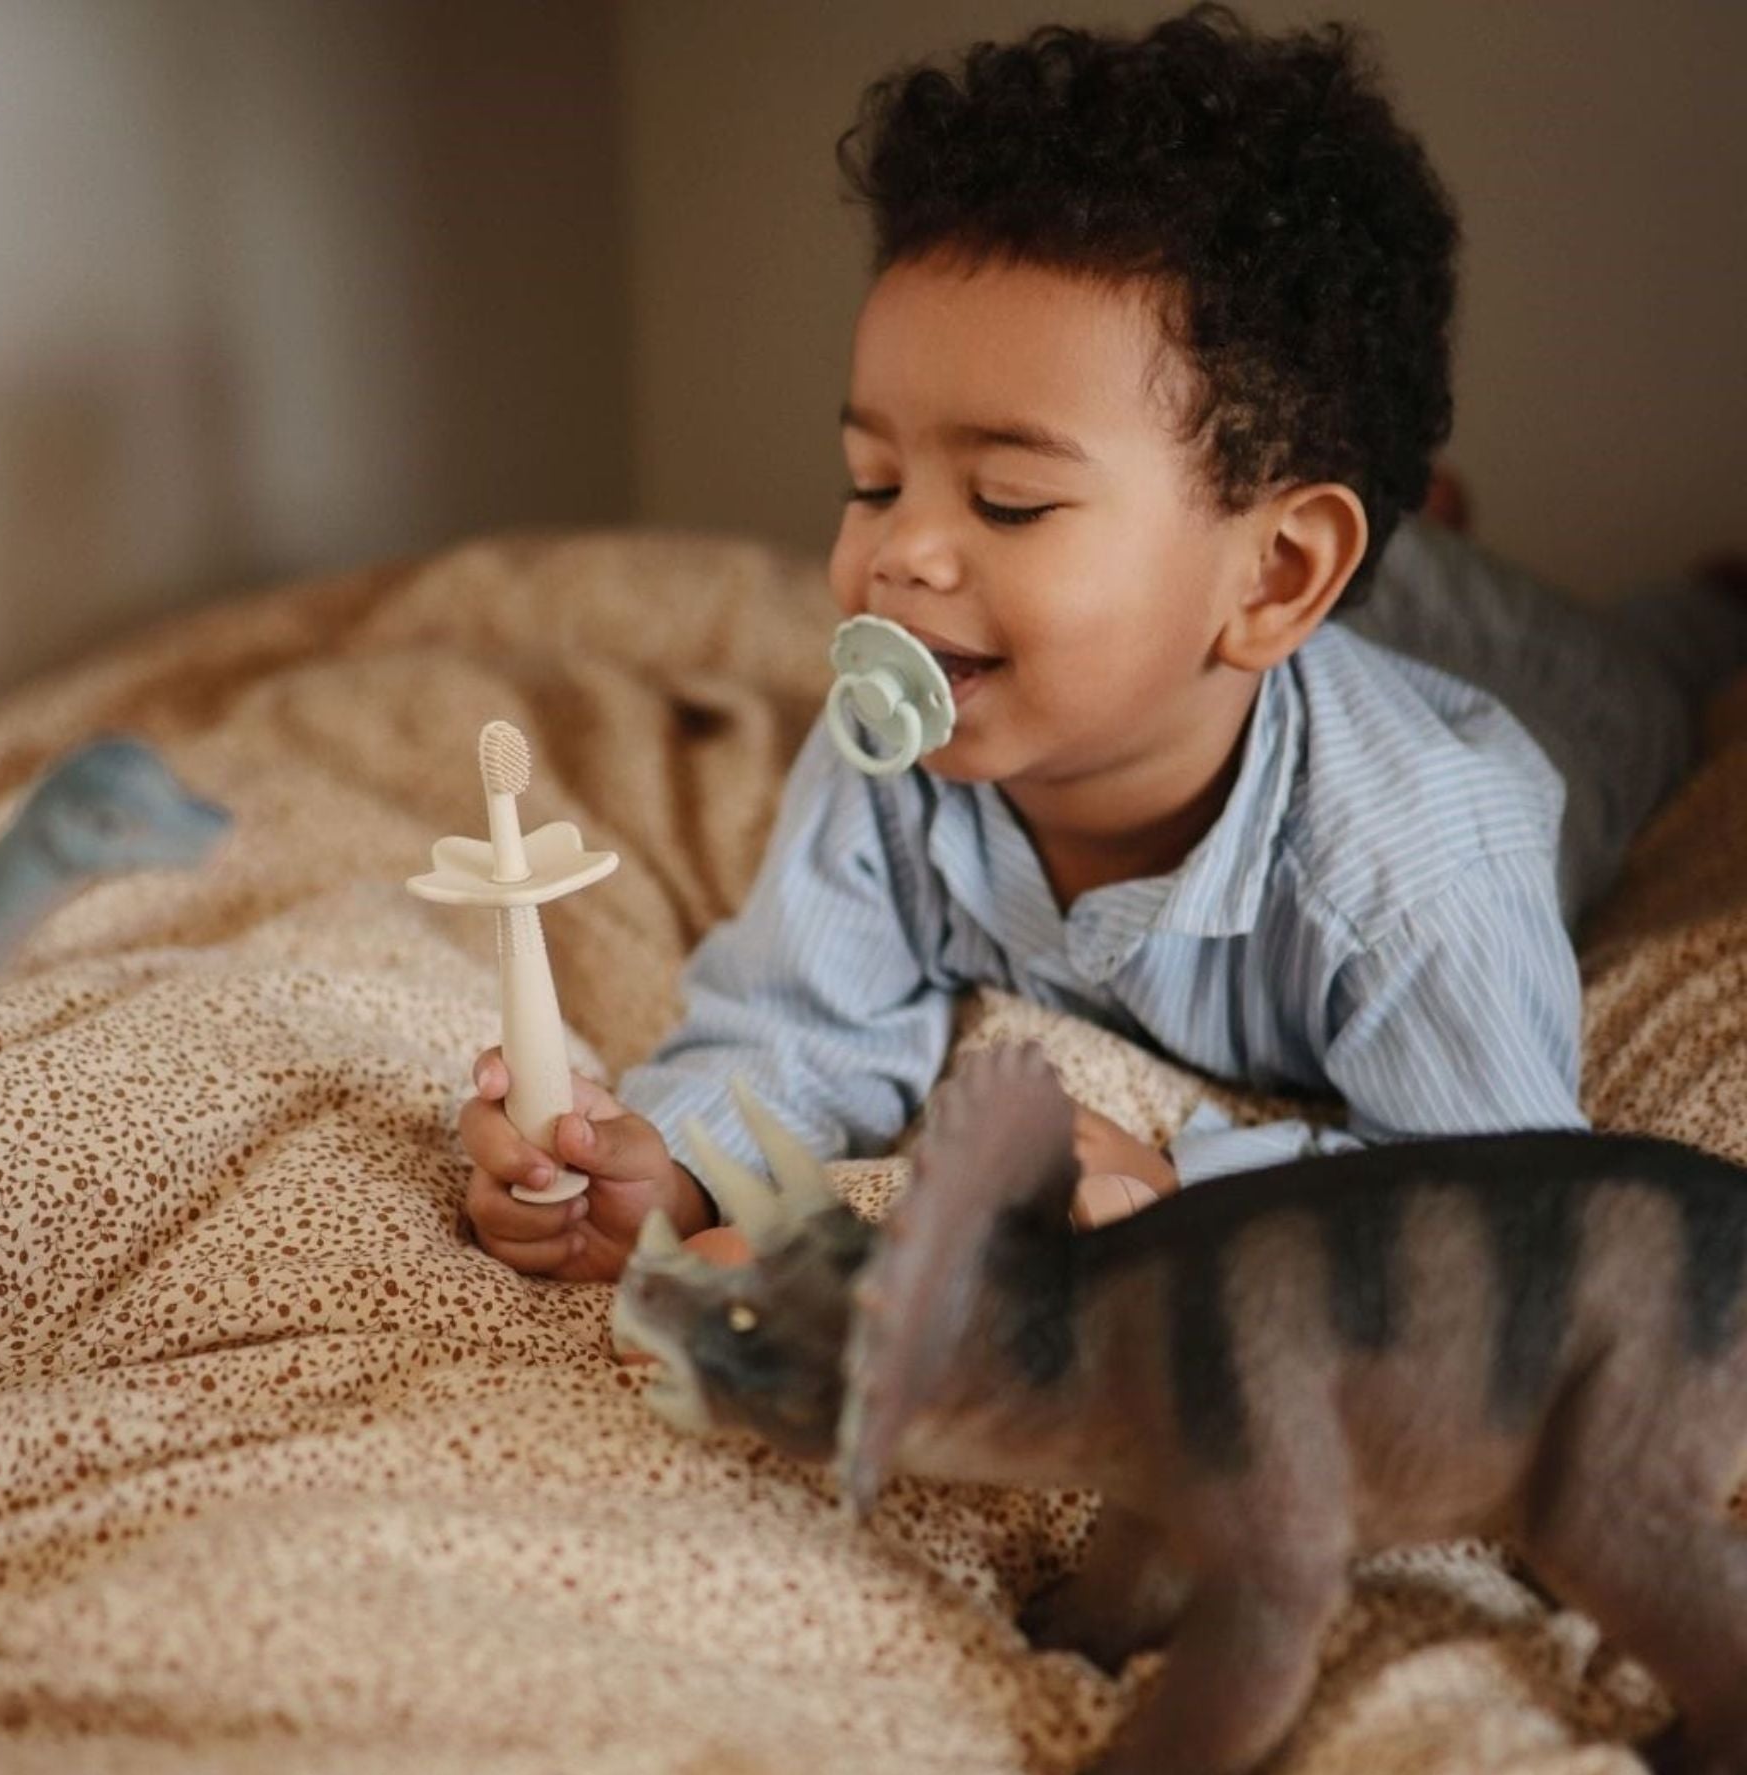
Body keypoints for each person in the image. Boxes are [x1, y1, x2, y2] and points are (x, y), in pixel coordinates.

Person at [459, 6, 1747, 1283]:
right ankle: (1420, 532)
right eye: (872, 479)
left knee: (1643, 666)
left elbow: (1501, 1202)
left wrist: (1197, 1191)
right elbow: (798, 1024)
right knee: (1414, 576)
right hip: (1297, 597)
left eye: (1009, 501)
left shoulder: (1421, 856)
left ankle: (1688, 594)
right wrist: (663, 1169)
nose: (899, 555)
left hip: (1536, 686)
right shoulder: (897, 754)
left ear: (1279, 574)